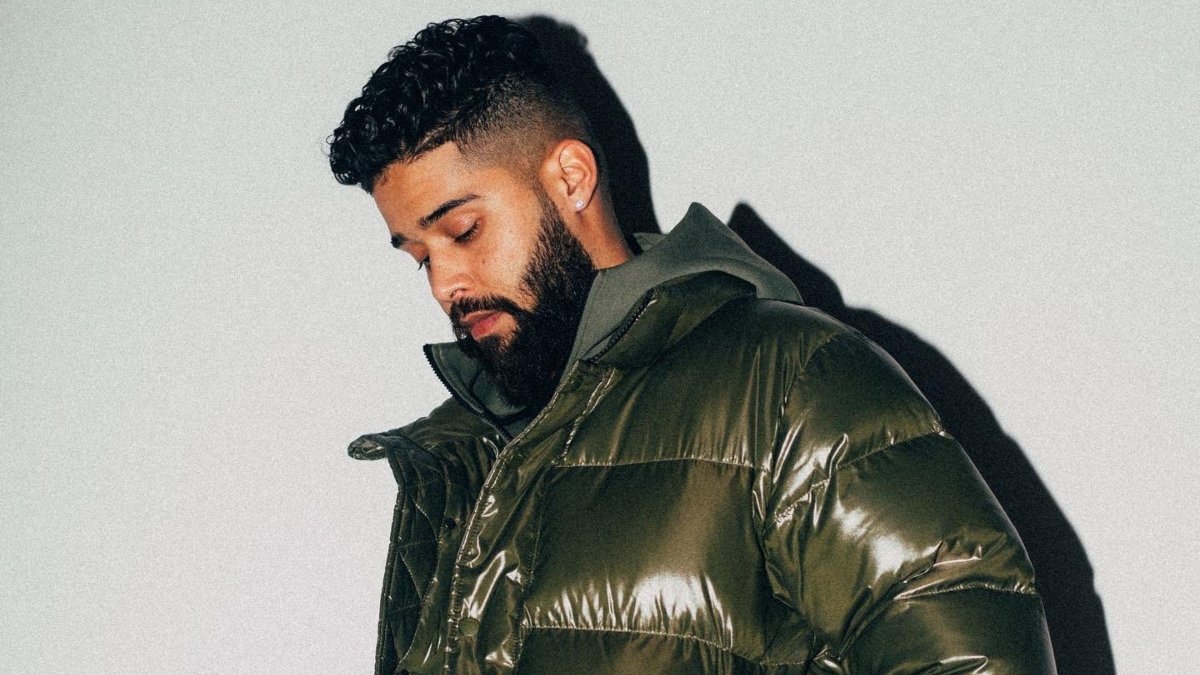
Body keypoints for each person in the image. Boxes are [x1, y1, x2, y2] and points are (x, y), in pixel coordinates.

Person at [328, 15, 1056, 675]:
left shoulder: (789, 381)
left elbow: (976, 656)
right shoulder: (460, 461)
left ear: (571, 179)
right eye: (420, 257)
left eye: (462, 231)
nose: (444, 285)